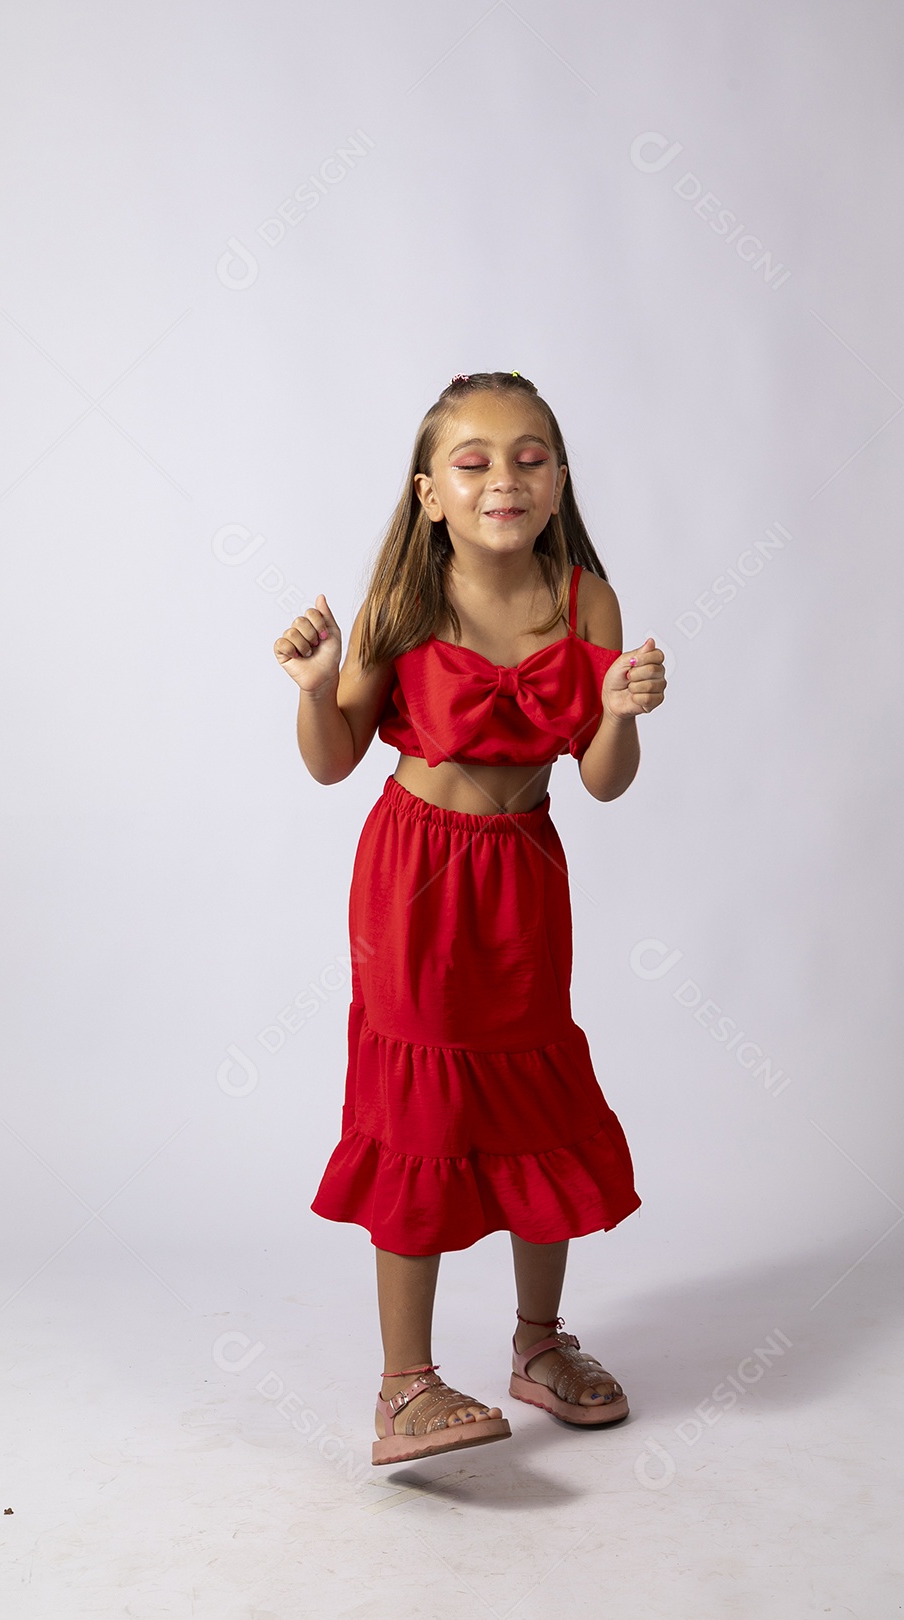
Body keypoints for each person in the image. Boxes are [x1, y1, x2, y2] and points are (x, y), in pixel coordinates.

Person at [273, 370, 666, 1467]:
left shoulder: (587, 599)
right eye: (476, 458)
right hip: (414, 881)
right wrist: (315, 687)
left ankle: (539, 1346)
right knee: (424, 1104)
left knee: (539, 1086)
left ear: (559, 478)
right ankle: (405, 1386)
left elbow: (601, 780)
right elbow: (335, 762)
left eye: (531, 454)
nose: (507, 474)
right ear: (430, 492)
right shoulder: (402, 602)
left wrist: (622, 713)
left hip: (525, 876)